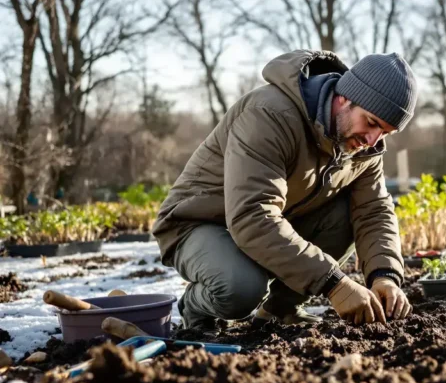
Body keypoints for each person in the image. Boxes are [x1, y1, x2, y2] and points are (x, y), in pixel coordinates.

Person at [152, 50, 418, 330]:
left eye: (386, 133)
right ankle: (196, 307)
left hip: (266, 223)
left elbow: (373, 211)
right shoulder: (269, 115)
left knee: (346, 214)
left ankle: (279, 310)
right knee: (241, 289)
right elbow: (252, 216)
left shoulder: (364, 147)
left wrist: (385, 276)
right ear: (345, 98)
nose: (373, 139)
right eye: (372, 123)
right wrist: (334, 284)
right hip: (199, 223)